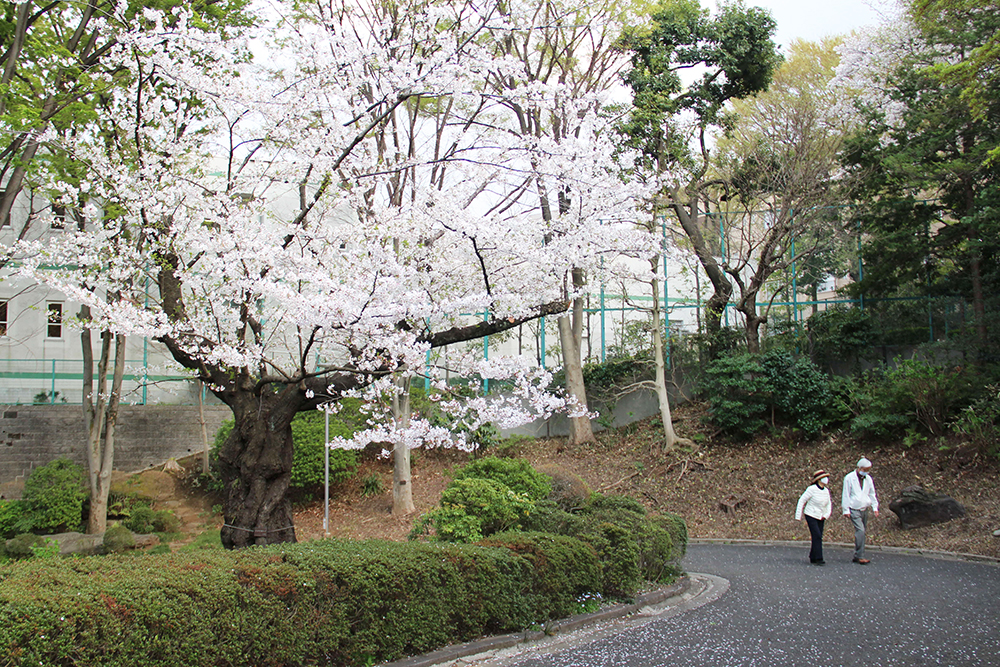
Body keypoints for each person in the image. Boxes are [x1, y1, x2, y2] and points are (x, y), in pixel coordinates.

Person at [842, 457, 879, 564]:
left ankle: (858, 554)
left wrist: (875, 507)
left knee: (862, 532)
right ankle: (860, 555)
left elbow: (872, 493)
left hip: (864, 508)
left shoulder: (868, 479)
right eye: (865, 469)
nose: (867, 472)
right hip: (854, 508)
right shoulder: (849, 478)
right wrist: (846, 509)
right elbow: (846, 494)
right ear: (859, 468)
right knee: (860, 530)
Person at [795, 469, 832, 565]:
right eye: (824, 478)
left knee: (818, 536)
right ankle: (819, 558)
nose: (826, 479)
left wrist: (826, 514)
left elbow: (828, 504)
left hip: (821, 516)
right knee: (817, 536)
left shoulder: (826, 491)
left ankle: (813, 556)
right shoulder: (811, 489)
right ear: (819, 479)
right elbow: (802, 500)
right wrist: (798, 516)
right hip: (811, 514)